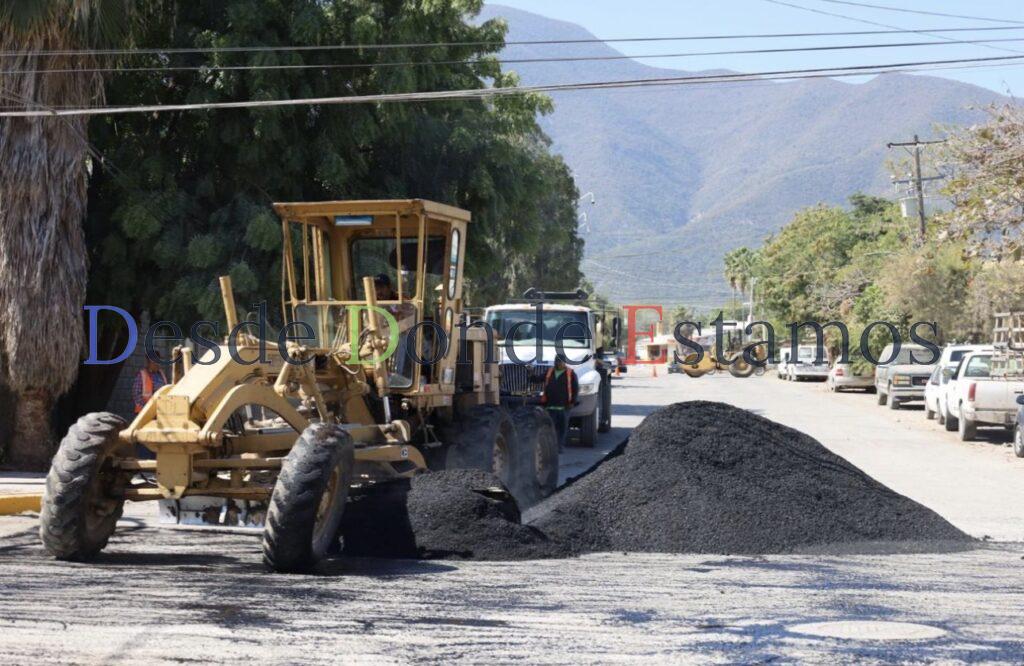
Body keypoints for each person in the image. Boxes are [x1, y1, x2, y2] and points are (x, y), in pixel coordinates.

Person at [541, 356, 579, 452]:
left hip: (564, 407)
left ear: (564, 363)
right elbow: (538, 379)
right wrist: (530, 374)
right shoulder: (549, 372)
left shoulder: (570, 373)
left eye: (560, 362)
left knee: (562, 428)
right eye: (556, 362)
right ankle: (551, 447)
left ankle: (560, 447)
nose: (557, 364)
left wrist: (573, 402)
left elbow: (575, 389)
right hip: (550, 406)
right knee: (551, 428)